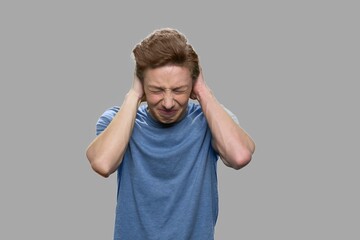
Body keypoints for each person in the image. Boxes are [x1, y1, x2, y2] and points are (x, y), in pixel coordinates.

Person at [86, 28, 255, 240]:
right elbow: (103, 163)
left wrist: (203, 91)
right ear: (142, 86)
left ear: (192, 85)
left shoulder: (210, 119)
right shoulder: (117, 120)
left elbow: (240, 156)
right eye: (156, 90)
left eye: (178, 90)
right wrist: (133, 95)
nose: (167, 103)